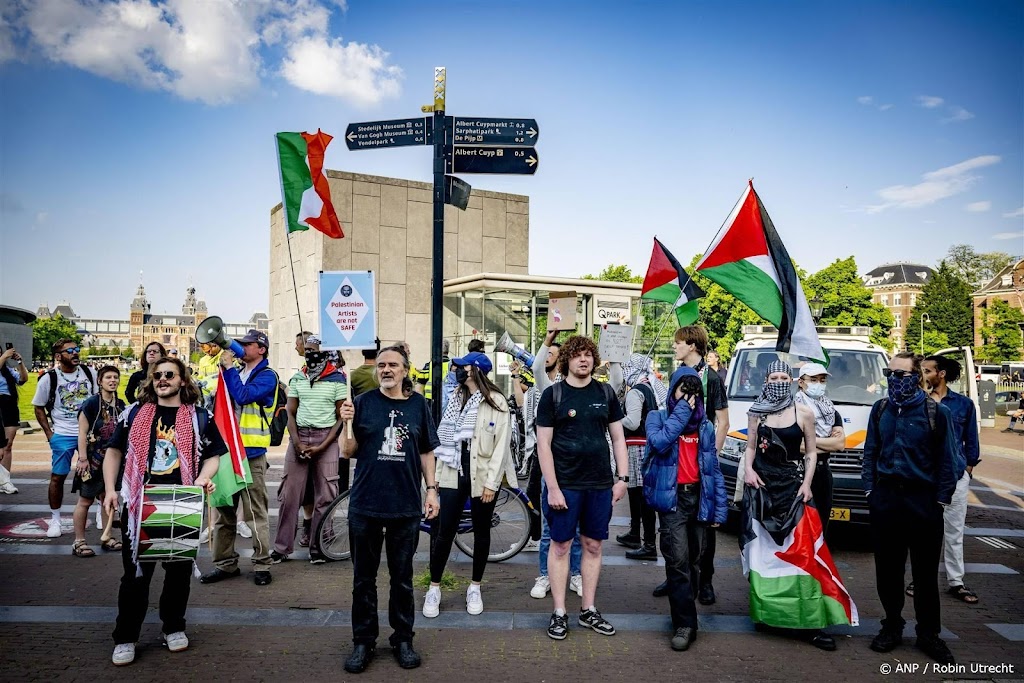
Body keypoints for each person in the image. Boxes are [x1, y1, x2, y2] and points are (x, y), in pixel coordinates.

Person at [101, 356, 223, 666]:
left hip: (181, 501)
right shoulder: (135, 414)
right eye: (157, 375)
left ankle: (173, 627)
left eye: (170, 374)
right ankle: (126, 637)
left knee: (179, 573)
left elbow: (213, 456)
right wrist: (112, 490)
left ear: (183, 380)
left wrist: (203, 478)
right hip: (140, 504)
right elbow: (114, 452)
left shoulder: (199, 417)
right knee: (135, 577)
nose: (162, 379)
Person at [338, 345, 440, 673]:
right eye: (381, 365)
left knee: (403, 578)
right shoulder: (362, 404)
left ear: (405, 370)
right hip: (366, 504)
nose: (386, 370)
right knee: (363, 579)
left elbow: (427, 452)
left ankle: (403, 638)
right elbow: (348, 451)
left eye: (393, 365)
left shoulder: (419, 407)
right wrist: (346, 424)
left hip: (405, 505)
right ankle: (363, 640)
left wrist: (432, 491)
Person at [862, 352, 960, 665]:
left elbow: (950, 461)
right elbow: (870, 452)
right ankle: (891, 625)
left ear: (917, 376)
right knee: (888, 570)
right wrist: (870, 491)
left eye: (901, 374)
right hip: (887, 500)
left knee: (925, 574)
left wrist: (941, 499)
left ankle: (929, 633)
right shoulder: (880, 410)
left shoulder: (936, 412)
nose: (894, 379)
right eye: (890, 373)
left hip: (923, 501)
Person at [536, 335, 628, 641]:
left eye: (588, 354)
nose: (583, 359)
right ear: (568, 361)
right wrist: (552, 488)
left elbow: (617, 438)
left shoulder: (605, 392)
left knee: (593, 545)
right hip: (565, 485)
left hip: (599, 484)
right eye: (577, 355)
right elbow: (544, 445)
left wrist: (623, 479)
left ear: (595, 359)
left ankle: (588, 609)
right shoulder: (554, 395)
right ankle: (560, 612)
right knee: (560, 546)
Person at [742, 360, 832, 650]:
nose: (779, 380)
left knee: (803, 554)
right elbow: (751, 447)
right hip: (763, 490)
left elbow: (811, 453)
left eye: (784, 376)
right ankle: (768, 613)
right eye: (773, 376)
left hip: (793, 490)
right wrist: (749, 471)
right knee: (764, 555)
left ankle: (809, 621)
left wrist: (806, 485)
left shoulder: (803, 412)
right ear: (766, 379)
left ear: (791, 380)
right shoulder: (756, 413)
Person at [424, 352, 515, 618]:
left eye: (461, 366)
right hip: (454, 471)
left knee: (482, 531)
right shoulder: (455, 398)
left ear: (474, 370)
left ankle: (475, 586)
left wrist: (491, 483)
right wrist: (436, 481)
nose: (456, 369)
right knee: (443, 530)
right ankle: (434, 587)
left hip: (482, 474)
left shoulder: (496, 402)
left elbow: (501, 447)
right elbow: (444, 443)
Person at [645, 366, 727, 651]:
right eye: (683, 390)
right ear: (672, 390)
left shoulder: (705, 426)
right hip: (672, 501)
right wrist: (680, 414)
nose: (688, 397)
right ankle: (685, 623)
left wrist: (719, 508)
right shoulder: (658, 417)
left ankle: (685, 611)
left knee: (693, 559)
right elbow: (658, 443)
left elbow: (713, 468)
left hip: (699, 498)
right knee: (677, 561)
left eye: (694, 392)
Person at [201, 330, 278, 586]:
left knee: (256, 512)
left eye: (248, 344)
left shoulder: (268, 376)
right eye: (241, 343)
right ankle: (224, 563)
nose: (242, 347)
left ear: (261, 349)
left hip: (252, 453)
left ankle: (262, 564)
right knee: (224, 511)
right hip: (226, 452)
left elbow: (244, 396)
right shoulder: (235, 372)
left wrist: (229, 368)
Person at [661, 326, 729, 605]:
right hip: (678, 462)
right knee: (672, 529)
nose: (674, 347)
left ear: (691, 345)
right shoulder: (676, 377)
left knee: (704, 526)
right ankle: (676, 577)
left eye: (678, 343)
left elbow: (722, 420)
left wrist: (710, 456)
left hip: (701, 463)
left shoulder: (711, 378)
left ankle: (706, 581)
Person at [272, 335, 347, 564]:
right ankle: (282, 548)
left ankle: (318, 549)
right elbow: (290, 413)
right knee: (289, 496)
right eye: (308, 350)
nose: (311, 354)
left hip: (326, 438)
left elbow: (340, 418)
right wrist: (296, 442)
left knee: (325, 495)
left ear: (326, 353)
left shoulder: (337, 380)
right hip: (300, 437)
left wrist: (322, 446)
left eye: (315, 350)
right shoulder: (298, 378)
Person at [912, 356, 979, 605]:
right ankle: (921, 578)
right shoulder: (918, 402)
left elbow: (971, 439)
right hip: (923, 474)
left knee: (954, 530)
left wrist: (967, 469)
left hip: (954, 475)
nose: (923, 374)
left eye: (927, 371)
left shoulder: (963, 404)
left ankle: (956, 581)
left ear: (940, 374)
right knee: (923, 531)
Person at [529, 331, 583, 600]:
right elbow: (537, 367)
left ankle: (575, 574)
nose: (551, 357)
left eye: (555, 353)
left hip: (579, 473)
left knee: (575, 528)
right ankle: (544, 575)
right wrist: (548, 340)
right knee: (551, 527)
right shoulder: (549, 389)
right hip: (553, 470)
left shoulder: (584, 388)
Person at [32, 339, 98, 537]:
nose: (76, 353)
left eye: (77, 349)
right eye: (70, 350)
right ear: (58, 356)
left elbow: (97, 398)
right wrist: (50, 434)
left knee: (99, 473)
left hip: (88, 434)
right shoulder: (48, 379)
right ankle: (55, 519)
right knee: (58, 477)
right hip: (63, 433)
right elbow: (38, 407)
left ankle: (103, 512)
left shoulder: (89, 373)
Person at [195, 341, 253, 544]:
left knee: (238, 482)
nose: (206, 348)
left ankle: (240, 521)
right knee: (215, 480)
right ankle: (211, 525)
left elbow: (241, 395)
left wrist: (229, 368)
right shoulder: (205, 362)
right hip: (216, 423)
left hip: (239, 435)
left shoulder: (238, 369)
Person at [612, 353, 666, 561]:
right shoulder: (650, 387)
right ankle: (636, 534)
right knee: (638, 495)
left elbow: (633, 423)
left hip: (637, 446)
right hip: (646, 445)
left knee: (641, 497)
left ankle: (648, 543)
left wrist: (614, 419)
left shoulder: (636, 391)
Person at [71, 365, 126, 557]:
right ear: (100, 381)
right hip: (93, 459)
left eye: (115, 377)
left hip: (111, 461)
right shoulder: (91, 403)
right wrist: (83, 458)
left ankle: (107, 536)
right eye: (108, 377)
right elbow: (82, 432)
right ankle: (79, 541)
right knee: (85, 501)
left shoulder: (121, 404)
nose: (112, 380)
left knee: (107, 499)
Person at [794, 362, 846, 534]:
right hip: (798, 473)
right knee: (798, 525)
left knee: (820, 525)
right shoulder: (793, 409)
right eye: (813, 380)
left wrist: (809, 442)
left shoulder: (830, 411)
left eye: (822, 380)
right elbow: (797, 447)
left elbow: (839, 444)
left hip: (823, 472)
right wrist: (825, 443)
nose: (819, 384)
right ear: (801, 382)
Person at [0, 344, 29, 493]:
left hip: (9, 405)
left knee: (7, 445)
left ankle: (5, 481)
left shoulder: (8, 371)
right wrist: (4, 356)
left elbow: (24, 379)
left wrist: (20, 363)